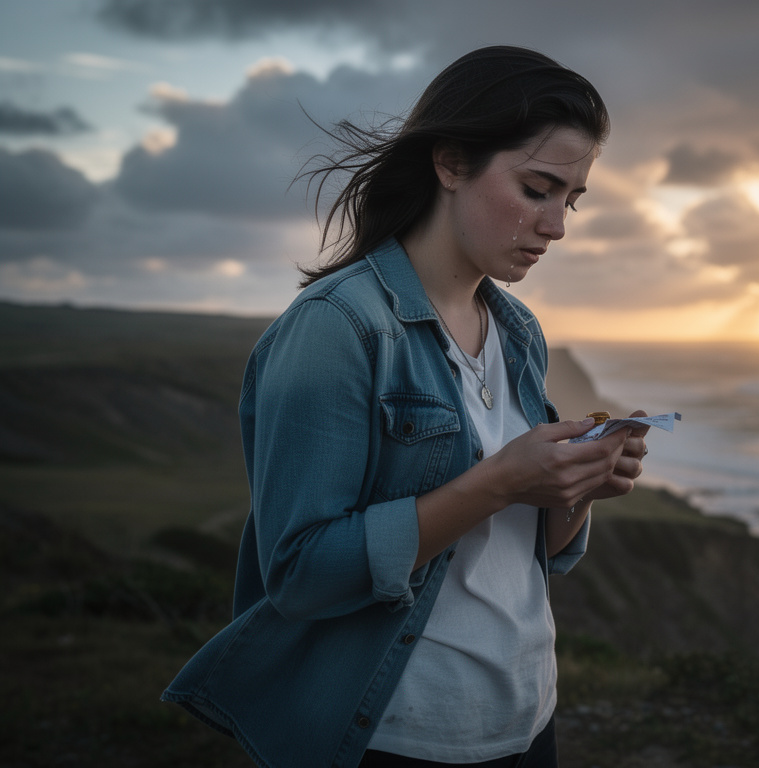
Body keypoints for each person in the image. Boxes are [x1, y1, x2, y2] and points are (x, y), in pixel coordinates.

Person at [163, 46, 648, 768]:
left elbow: (529, 552)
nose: (557, 227)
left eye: (570, 199)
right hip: (400, 736)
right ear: (450, 163)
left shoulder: (517, 332)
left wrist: (575, 489)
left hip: (526, 718)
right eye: (538, 188)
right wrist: (501, 480)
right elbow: (299, 574)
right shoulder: (338, 327)